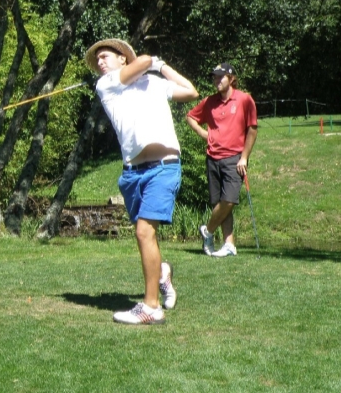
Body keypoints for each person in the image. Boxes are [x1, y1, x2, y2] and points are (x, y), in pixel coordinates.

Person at [85, 39, 199, 325]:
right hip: (132, 174)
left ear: (123, 58)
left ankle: (151, 307)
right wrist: (152, 62)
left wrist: (164, 67)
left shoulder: (154, 83)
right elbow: (145, 59)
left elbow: (191, 92)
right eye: (97, 59)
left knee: (144, 233)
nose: (100, 62)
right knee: (145, 234)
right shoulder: (106, 85)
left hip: (163, 168)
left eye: (106, 56)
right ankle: (161, 273)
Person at [185, 62, 258, 258]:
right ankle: (229, 244)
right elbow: (190, 117)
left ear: (232, 79)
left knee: (229, 200)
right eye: (215, 77)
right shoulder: (209, 102)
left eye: (221, 77)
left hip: (234, 158)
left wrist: (244, 158)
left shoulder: (244, 100)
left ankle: (207, 230)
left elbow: (252, 130)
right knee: (217, 202)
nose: (216, 80)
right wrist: (203, 133)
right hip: (212, 157)